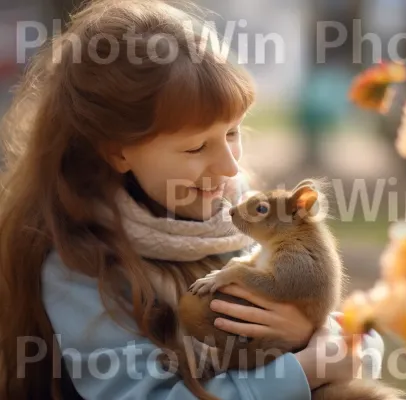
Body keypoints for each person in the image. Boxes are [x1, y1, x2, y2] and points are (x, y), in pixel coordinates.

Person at [0, 0, 385, 399]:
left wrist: (315, 333)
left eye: (233, 133)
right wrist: (301, 371)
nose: (231, 168)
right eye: (197, 147)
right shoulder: (80, 266)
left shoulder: (242, 216)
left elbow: (352, 340)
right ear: (117, 151)